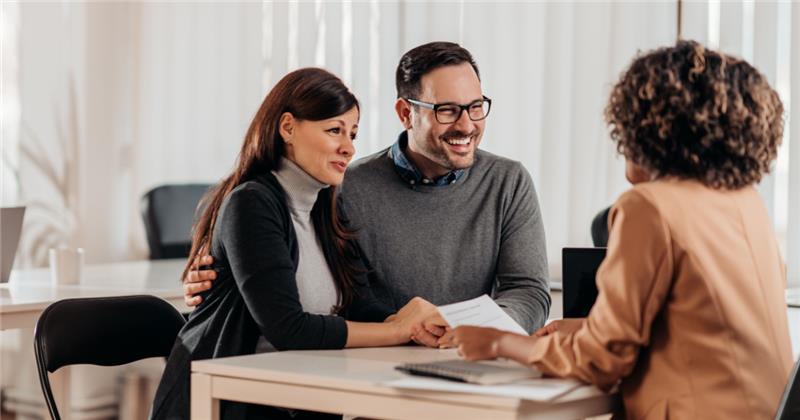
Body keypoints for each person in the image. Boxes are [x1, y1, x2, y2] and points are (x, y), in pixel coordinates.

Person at [450, 40, 793, 419]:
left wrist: (501, 343)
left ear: (651, 128)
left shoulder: (649, 207)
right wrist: (588, 328)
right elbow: (704, 328)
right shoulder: (745, 202)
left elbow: (600, 361)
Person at [183, 42, 551, 346]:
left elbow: (528, 291)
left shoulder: (508, 181)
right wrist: (222, 274)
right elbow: (304, 310)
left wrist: (475, 330)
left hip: (458, 356)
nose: (467, 124)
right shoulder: (341, 188)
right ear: (405, 113)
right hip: (362, 371)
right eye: (448, 110)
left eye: (475, 107)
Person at [150, 68, 437, 420]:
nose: (348, 147)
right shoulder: (252, 203)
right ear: (287, 127)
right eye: (334, 130)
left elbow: (360, 305)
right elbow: (288, 329)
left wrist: (414, 325)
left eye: (353, 134)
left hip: (299, 401)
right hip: (229, 405)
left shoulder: (326, 209)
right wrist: (396, 330)